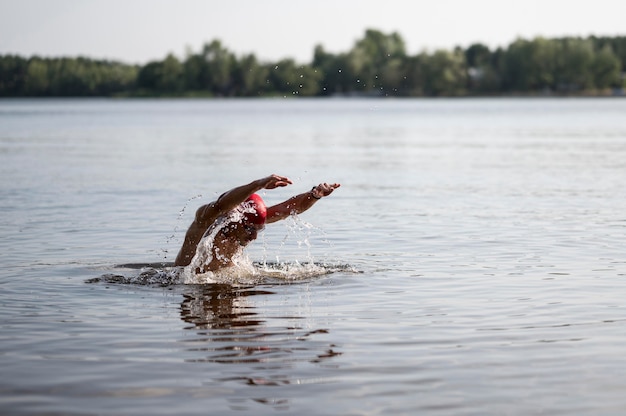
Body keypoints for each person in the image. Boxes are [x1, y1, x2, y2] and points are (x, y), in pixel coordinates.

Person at [174, 174, 340, 273]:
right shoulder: (206, 221)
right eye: (249, 229)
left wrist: (315, 195)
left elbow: (288, 208)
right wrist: (258, 185)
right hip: (186, 288)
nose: (253, 237)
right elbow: (221, 204)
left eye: (258, 231)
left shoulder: (248, 221)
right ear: (236, 220)